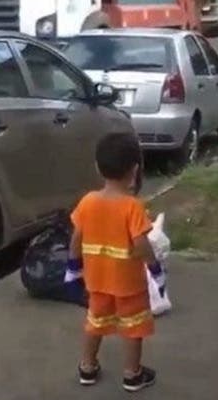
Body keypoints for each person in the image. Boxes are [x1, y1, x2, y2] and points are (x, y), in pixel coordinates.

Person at [64, 132, 163, 392]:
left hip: (96, 279)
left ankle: (87, 367)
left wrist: (73, 269)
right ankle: (132, 374)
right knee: (133, 326)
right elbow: (142, 245)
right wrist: (156, 270)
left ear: (98, 167)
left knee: (95, 321)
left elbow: (76, 238)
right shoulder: (132, 207)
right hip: (128, 283)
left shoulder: (87, 202)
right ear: (135, 169)